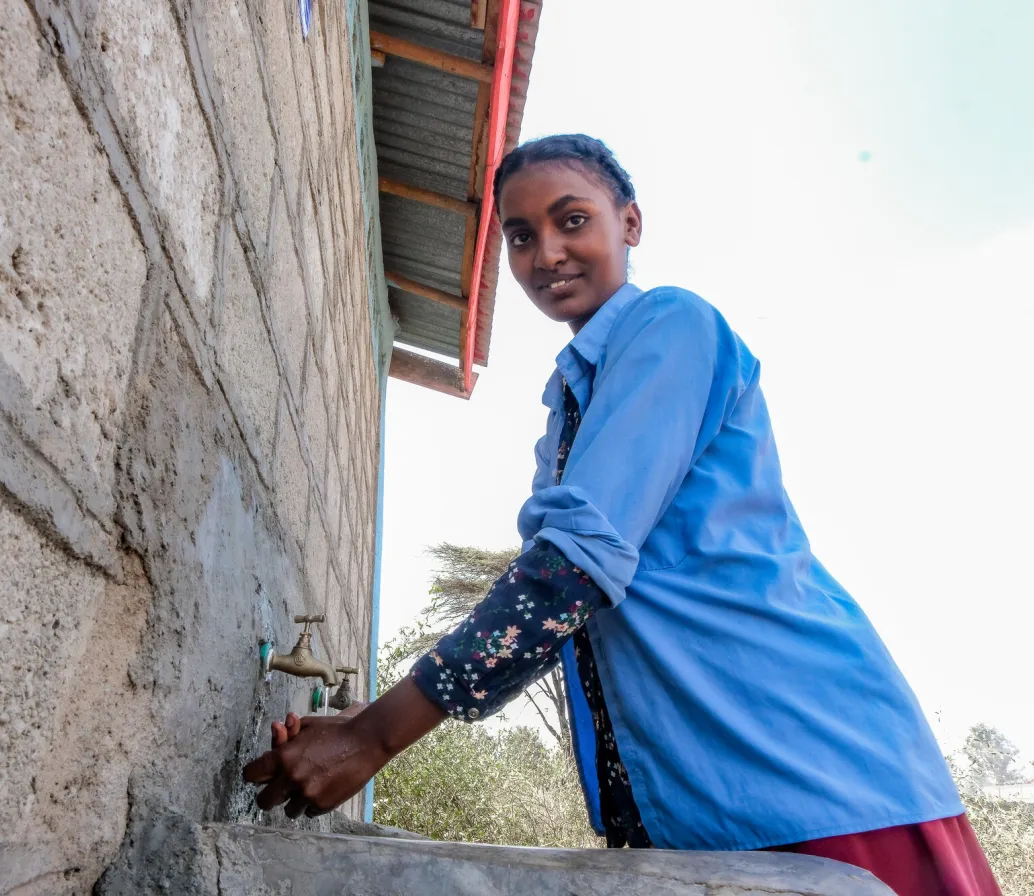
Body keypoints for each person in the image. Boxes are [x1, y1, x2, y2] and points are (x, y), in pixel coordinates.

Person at [243, 134, 1001, 896]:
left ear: (630, 223)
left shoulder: (671, 327)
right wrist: (364, 721)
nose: (547, 254)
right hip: (709, 801)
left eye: (572, 220)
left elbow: (567, 576)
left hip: (806, 761)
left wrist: (374, 737)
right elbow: (557, 604)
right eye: (521, 236)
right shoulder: (567, 411)